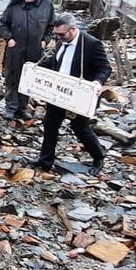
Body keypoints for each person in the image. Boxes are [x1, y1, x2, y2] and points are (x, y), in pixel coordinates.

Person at [34, 12, 111, 175]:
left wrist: (98, 82)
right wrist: (35, 68)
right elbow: (55, 62)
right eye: (56, 34)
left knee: (80, 128)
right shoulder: (61, 42)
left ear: (73, 29)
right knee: (50, 125)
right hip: (58, 92)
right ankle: (45, 162)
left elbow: (105, 68)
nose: (58, 37)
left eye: (61, 34)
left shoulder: (91, 44)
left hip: (80, 95)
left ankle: (98, 156)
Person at [0, 0, 54, 122]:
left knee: (27, 79)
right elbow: (3, 24)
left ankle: (22, 108)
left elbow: (51, 26)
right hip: (15, 49)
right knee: (12, 77)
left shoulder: (47, 5)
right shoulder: (14, 5)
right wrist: (9, 38)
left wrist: (44, 41)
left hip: (35, 50)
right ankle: (10, 108)